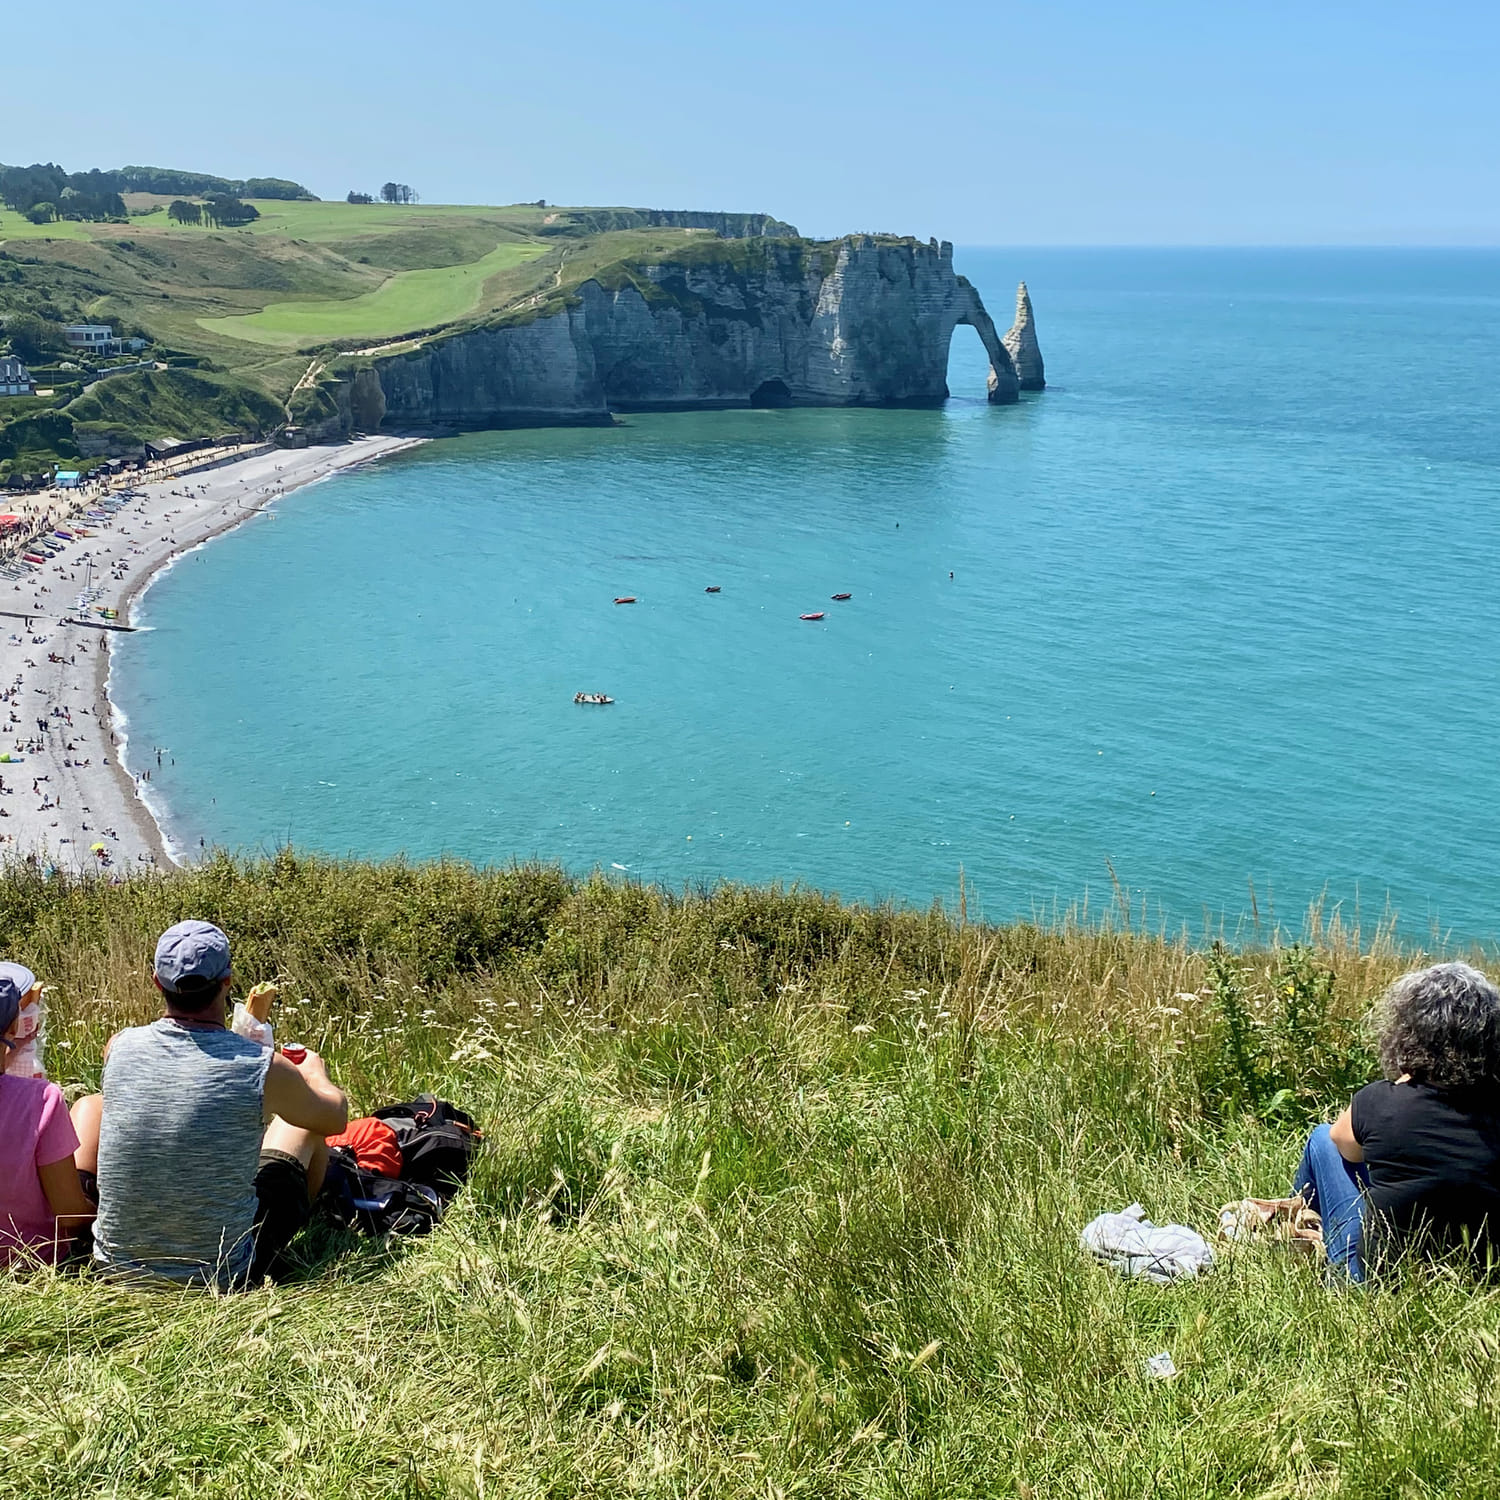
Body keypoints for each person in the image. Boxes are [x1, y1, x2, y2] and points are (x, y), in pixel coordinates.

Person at [76, 921, 348, 1287]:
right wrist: (316, 1074)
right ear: (227, 981)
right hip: (220, 1275)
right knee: (301, 1125)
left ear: (157, 982)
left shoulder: (119, 1046)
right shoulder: (264, 1066)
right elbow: (334, 1119)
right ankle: (298, 1234)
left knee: (94, 1104)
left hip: (117, 1269)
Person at [1295, 962, 1500, 1281]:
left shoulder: (1380, 1102)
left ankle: (1299, 1228)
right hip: (1484, 1277)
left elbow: (1345, 1148)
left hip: (1377, 1283)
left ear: (1407, 1035)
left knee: (1323, 1138)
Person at [0, 962, 96, 1264]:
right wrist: (101, 1214)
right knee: (91, 1109)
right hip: (30, 1260)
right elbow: (70, 1215)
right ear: (14, 1026)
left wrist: (12, 1048)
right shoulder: (40, 1100)